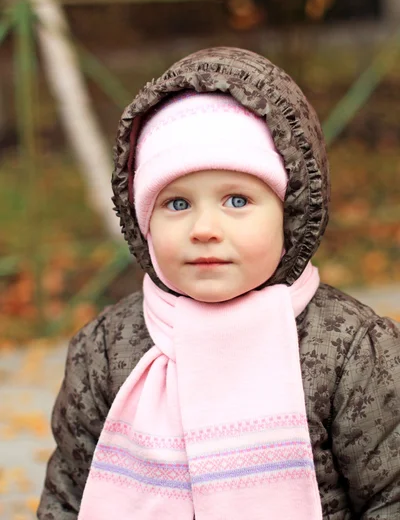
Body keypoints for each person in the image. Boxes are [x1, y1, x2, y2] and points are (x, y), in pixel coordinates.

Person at [37, 47, 400, 520]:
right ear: (142, 222)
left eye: (236, 199)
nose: (204, 228)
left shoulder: (349, 349)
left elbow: (389, 494)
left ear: (289, 213)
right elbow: (68, 497)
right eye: (177, 204)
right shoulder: (106, 349)